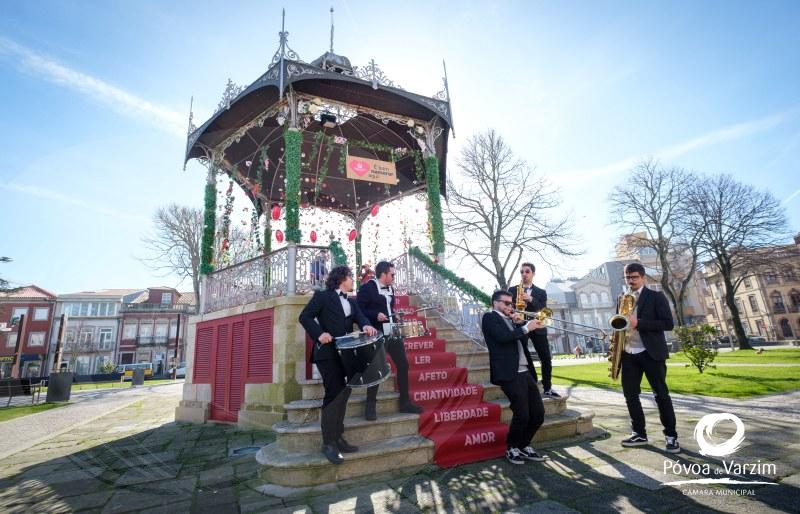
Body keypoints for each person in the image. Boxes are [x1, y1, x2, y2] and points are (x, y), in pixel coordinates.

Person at [299, 266, 379, 464]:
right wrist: (319, 334)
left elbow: (360, 317)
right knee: (334, 395)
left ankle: (338, 437)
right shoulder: (322, 296)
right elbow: (305, 317)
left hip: (346, 354)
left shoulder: (351, 301)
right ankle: (328, 443)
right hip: (327, 354)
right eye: (351, 277)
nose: (353, 280)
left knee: (344, 395)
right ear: (342, 278)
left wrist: (366, 325)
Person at [618, 262, 680, 454]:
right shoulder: (622, 298)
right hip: (628, 353)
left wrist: (640, 323)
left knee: (661, 395)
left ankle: (671, 437)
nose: (631, 281)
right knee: (630, 395)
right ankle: (639, 433)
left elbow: (668, 324)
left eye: (634, 277)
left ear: (643, 278)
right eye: (628, 277)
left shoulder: (656, 296)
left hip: (651, 352)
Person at [482, 290, 547, 465]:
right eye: (506, 303)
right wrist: (525, 328)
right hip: (509, 373)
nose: (510, 307)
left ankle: (523, 446)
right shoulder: (490, 318)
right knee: (522, 414)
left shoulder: (511, 320)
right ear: (495, 303)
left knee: (539, 414)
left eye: (511, 303)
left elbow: (520, 342)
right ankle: (512, 447)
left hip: (525, 371)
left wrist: (521, 326)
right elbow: (502, 338)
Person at [358, 261, 423, 420]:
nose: (394, 277)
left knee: (403, 364)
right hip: (376, 334)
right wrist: (375, 315)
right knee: (376, 368)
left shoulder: (391, 289)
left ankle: (405, 402)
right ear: (383, 274)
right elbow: (359, 309)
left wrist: (396, 315)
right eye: (392, 274)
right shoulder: (367, 288)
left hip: (392, 332)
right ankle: (370, 406)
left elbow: (389, 309)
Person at [508, 263, 560, 397]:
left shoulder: (541, 292)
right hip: (521, 327)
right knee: (524, 356)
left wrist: (530, 299)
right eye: (522, 272)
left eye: (527, 271)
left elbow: (543, 310)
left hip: (538, 327)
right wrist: (513, 315)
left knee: (546, 358)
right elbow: (509, 308)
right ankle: (533, 383)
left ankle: (547, 387)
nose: (524, 274)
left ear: (533, 274)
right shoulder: (512, 290)